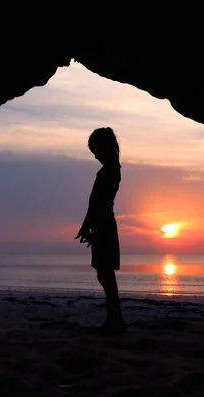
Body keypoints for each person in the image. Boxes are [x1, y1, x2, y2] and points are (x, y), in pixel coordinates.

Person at [76, 127, 126, 335]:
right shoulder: (109, 169)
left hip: (103, 223)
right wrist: (86, 224)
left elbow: (99, 201)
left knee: (105, 273)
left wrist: (89, 223)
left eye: (96, 150)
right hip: (101, 223)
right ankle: (114, 319)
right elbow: (94, 202)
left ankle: (115, 320)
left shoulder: (111, 169)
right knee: (103, 273)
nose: (95, 156)